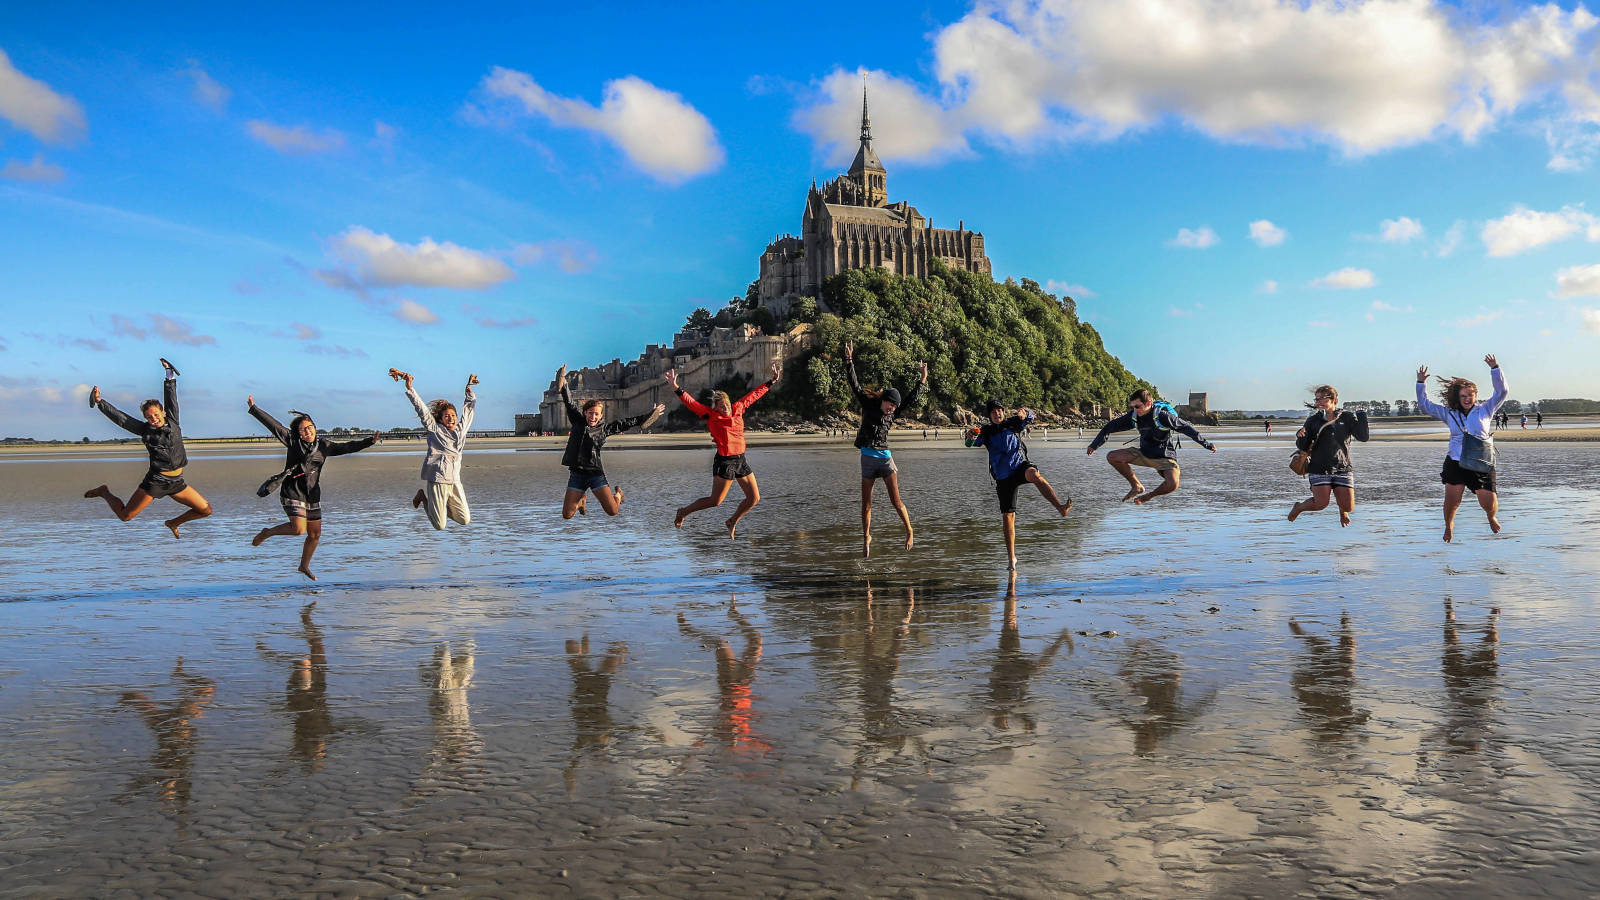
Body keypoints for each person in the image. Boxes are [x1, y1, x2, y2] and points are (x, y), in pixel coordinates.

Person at [247, 396, 379, 579]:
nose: (307, 431)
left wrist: (369, 442)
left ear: (315, 427)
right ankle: (267, 533)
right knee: (298, 529)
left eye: (309, 427)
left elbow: (347, 447)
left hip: (312, 493)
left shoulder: (324, 445)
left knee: (315, 534)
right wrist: (254, 409)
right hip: (292, 490)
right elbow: (274, 426)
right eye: (303, 430)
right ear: (298, 433)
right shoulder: (293, 441)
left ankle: (303, 566)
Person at [84, 358, 213, 539]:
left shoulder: (173, 421)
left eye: (156, 414)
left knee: (205, 510)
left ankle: (173, 523)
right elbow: (122, 419)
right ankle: (104, 491)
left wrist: (169, 373)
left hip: (177, 482)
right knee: (125, 516)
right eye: (149, 416)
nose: (153, 418)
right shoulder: (145, 430)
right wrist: (100, 402)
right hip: (156, 482)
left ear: (163, 412)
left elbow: (171, 397)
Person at [664, 362, 781, 538]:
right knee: (715, 501)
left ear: (728, 402)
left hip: (741, 460)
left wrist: (771, 381)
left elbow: (754, 395)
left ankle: (732, 521)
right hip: (725, 462)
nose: (724, 407)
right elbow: (692, 403)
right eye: (719, 405)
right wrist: (676, 387)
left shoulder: (738, 408)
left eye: (725, 403)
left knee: (754, 499)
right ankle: (683, 512)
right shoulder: (711, 417)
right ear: (716, 408)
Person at [844, 340, 927, 557]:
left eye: (895, 407)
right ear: (884, 400)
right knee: (866, 504)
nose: (892, 409)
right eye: (891, 405)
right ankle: (866, 537)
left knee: (895, 501)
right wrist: (849, 360)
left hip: (885, 459)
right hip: (867, 459)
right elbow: (855, 385)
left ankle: (910, 531)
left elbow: (910, 400)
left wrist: (923, 379)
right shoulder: (868, 404)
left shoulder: (893, 414)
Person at [966, 400, 1072, 570]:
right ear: (989, 415)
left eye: (999, 411)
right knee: (1008, 517)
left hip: (1019, 466)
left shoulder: (1013, 424)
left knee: (1034, 474)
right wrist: (970, 436)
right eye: (993, 412)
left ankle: (1060, 507)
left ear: (1003, 412)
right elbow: (969, 443)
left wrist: (1026, 413)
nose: (997, 414)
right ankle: (1012, 559)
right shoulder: (986, 432)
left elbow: (1031, 416)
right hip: (1002, 477)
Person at [1414, 354, 1507, 542]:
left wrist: (1495, 368)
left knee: (1489, 502)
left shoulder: (1485, 410)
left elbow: (1502, 392)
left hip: (1481, 462)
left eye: (1470, 395)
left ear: (1475, 395)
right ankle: (1448, 525)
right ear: (1458, 397)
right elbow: (1425, 406)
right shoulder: (1449, 413)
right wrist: (1420, 383)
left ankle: (1491, 517)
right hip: (1455, 462)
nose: (1467, 398)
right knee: (1452, 500)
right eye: (1463, 395)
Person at [555, 364, 663, 518]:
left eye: (596, 414)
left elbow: (626, 422)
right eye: (590, 413)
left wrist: (650, 415)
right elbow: (570, 403)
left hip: (595, 474)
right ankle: (581, 502)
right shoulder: (578, 421)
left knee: (613, 511)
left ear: (601, 416)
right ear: (585, 412)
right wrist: (563, 383)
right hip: (577, 474)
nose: (593, 417)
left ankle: (618, 495)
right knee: (567, 515)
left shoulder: (604, 429)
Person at [1087, 389, 1217, 504]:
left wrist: (1207, 444)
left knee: (1173, 484)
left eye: (1137, 406)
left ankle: (1148, 496)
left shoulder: (1162, 416)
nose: (1135, 410)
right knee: (1112, 456)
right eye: (1132, 407)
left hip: (1165, 457)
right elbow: (1110, 426)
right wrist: (1095, 444)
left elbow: (1186, 428)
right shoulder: (1134, 416)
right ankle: (1136, 486)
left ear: (1148, 403)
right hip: (1144, 454)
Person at [390, 368, 477, 530]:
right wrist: (410, 388)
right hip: (438, 480)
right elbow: (422, 410)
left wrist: (469, 393)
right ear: (440, 419)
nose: (450, 418)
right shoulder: (434, 429)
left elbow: (468, 413)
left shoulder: (460, 430)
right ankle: (423, 498)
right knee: (440, 525)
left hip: (454, 481)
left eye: (453, 416)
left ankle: (440, 509)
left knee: (465, 519)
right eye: (446, 416)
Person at [1287, 385, 1370, 527]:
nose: (1317, 402)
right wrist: (1300, 436)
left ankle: (1343, 511)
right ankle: (1299, 507)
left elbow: (1363, 437)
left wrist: (1362, 416)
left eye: (1321, 399)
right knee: (1321, 504)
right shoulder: (1313, 420)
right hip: (1319, 467)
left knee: (1349, 507)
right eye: (1316, 399)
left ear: (1333, 399)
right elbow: (1303, 447)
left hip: (1342, 467)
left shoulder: (1347, 417)